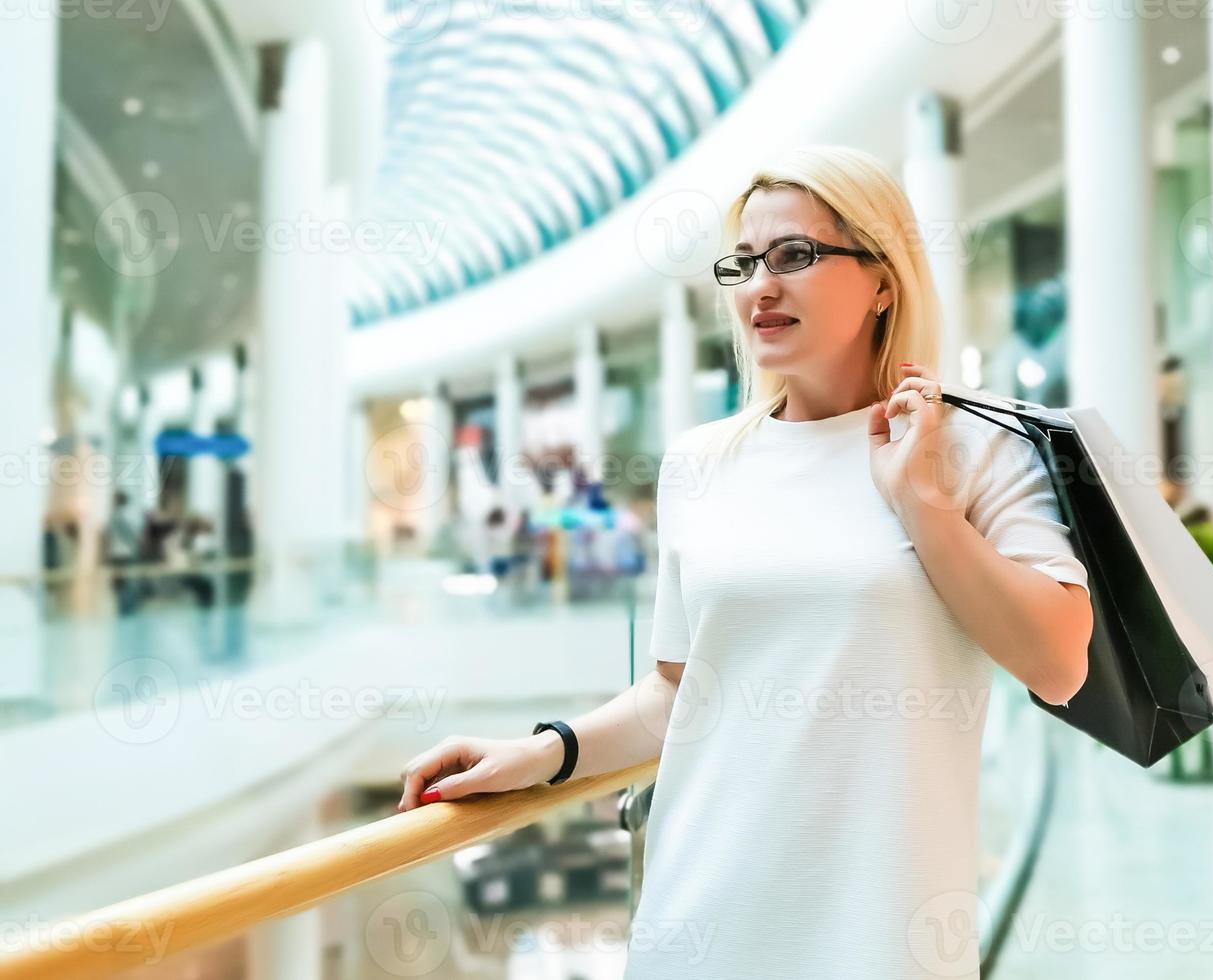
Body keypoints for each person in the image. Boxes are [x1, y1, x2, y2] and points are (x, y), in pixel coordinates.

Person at [395, 145, 1093, 979]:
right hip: (698, 923)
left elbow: (1059, 663)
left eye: (796, 256)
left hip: (883, 937)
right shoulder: (702, 462)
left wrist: (923, 505)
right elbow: (678, 693)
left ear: (883, 280)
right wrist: (544, 752)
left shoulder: (975, 449)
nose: (761, 285)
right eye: (744, 262)